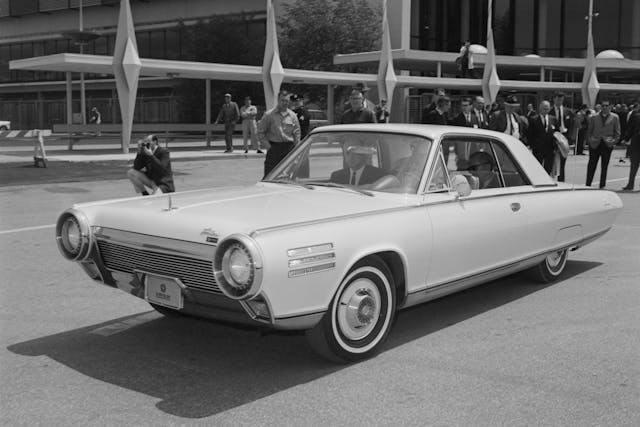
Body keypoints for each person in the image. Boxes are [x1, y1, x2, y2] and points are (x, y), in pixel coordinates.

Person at [258, 90, 301, 177]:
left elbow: (297, 133)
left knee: (288, 177)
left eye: (286, 101)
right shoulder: (269, 115)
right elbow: (260, 132)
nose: (284, 103)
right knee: (270, 177)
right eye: (282, 100)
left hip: (289, 149)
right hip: (274, 149)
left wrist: (296, 150)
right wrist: (268, 147)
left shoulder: (293, 116)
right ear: (278, 100)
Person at [586, 100, 620, 188]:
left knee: (604, 166)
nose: (604, 107)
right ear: (600, 107)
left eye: (606, 106)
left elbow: (617, 132)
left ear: (610, 107)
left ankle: (602, 185)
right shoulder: (594, 117)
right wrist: (590, 140)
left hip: (607, 144)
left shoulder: (615, 117)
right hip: (595, 143)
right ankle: (588, 184)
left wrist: (613, 142)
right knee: (591, 165)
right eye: (603, 105)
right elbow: (589, 130)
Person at [549, 92, 575, 182]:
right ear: (554, 99)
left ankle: (561, 181)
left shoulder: (568, 111)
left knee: (563, 161)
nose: (559, 101)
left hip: (564, 138)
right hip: (553, 138)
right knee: (551, 161)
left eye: (561, 99)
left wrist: (570, 138)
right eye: (557, 99)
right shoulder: (550, 111)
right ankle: (550, 180)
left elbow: (572, 125)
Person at [527, 100, 558, 175]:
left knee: (548, 170)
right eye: (544, 108)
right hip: (538, 149)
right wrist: (532, 145)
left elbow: (557, 133)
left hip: (550, 149)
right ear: (540, 109)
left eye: (547, 108)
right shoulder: (533, 119)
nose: (546, 110)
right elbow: (529, 134)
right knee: (537, 170)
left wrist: (556, 146)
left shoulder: (553, 119)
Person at [622, 101, 640, 190]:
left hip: (636, 143)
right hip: (636, 143)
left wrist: (626, 139)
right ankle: (630, 184)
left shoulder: (635, 115)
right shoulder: (636, 116)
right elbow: (630, 128)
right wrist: (626, 138)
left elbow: (630, 128)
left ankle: (630, 184)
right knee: (634, 165)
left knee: (634, 165)